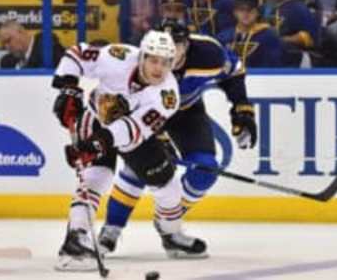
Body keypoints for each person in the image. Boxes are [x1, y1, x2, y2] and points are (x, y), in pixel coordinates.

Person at [98, 18, 258, 257]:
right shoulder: (138, 58)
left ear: (188, 44)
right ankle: (110, 230)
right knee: (139, 170)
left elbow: (234, 71)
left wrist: (242, 108)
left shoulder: (208, 54)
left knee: (205, 169)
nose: (169, 54)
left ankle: (169, 228)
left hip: (187, 113)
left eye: (177, 45)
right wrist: (157, 138)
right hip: (143, 115)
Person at [51, 30, 206, 271]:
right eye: (153, 60)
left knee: (168, 186)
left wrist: (98, 143)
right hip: (94, 119)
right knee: (95, 178)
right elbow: (77, 54)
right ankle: (76, 240)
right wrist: (68, 87)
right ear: (142, 56)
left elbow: (132, 129)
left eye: (166, 63)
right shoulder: (118, 56)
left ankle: (171, 234)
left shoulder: (167, 96)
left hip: (132, 136)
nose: (159, 68)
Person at [258, 0, 319, 67]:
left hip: (290, 65)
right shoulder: (253, 7)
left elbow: (311, 38)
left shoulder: (296, 6)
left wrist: (283, 40)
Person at [217, 0, 283, 67]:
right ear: (235, 12)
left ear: (258, 12)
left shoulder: (269, 36)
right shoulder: (223, 37)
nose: (246, 13)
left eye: (250, 9)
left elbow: (273, 67)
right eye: (241, 9)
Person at [0, 20, 64, 69]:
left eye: (9, 40)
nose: (7, 47)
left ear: (21, 32)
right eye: (3, 44)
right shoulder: (7, 62)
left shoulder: (49, 49)